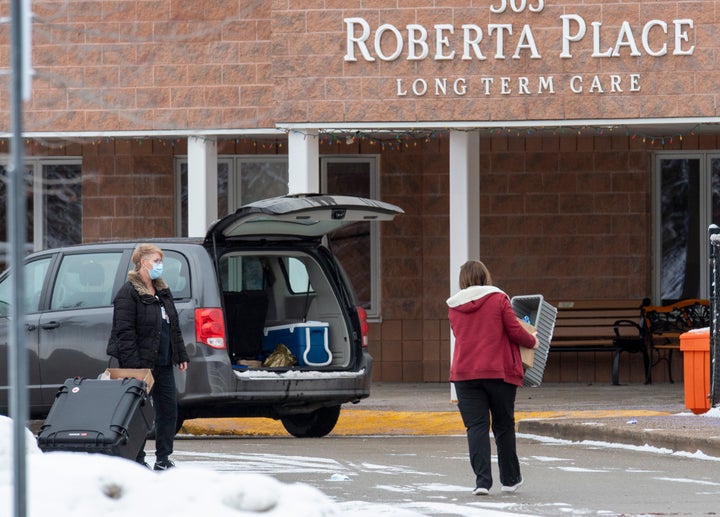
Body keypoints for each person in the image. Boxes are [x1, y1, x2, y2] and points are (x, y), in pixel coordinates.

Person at [446, 260, 538, 496]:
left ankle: (482, 483)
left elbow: (460, 334)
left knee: (476, 427)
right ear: (486, 276)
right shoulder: (498, 299)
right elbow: (515, 330)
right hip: (498, 372)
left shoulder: (454, 306)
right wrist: (533, 341)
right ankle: (509, 480)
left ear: (463, 280)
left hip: (465, 374)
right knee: (503, 425)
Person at [107, 243, 189, 470]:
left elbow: (173, 325)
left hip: (163, 362)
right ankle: (137, 458)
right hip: (140, 365)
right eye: (156, 261)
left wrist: (180, 354)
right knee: (138, 413)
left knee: (168, 409)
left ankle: (163, 459)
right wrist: (135, 368)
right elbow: (124, 333)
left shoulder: (162, 290)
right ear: (143, 263)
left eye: (160, 262)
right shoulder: (128, 293)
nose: (160, 266)